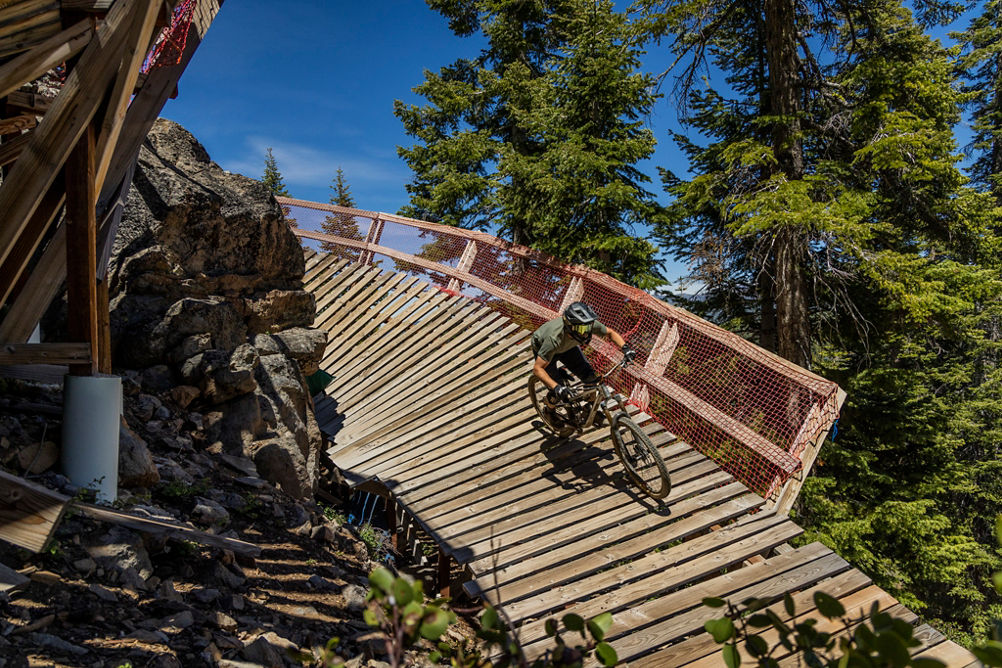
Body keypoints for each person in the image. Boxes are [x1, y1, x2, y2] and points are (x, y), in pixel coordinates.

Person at [531, 302, 636, 408]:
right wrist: (556, 387)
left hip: (568, 347)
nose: (586, 333)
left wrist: (625, 348)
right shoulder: (553, 339)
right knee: (559, 393)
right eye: (582, 330)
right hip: (546, 348)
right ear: (570, 327)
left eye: (588, 328)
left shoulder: (585, 324)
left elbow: (610, 333)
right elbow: (537, 369)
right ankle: (549, 408)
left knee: (590, 377)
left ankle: (590, 408)